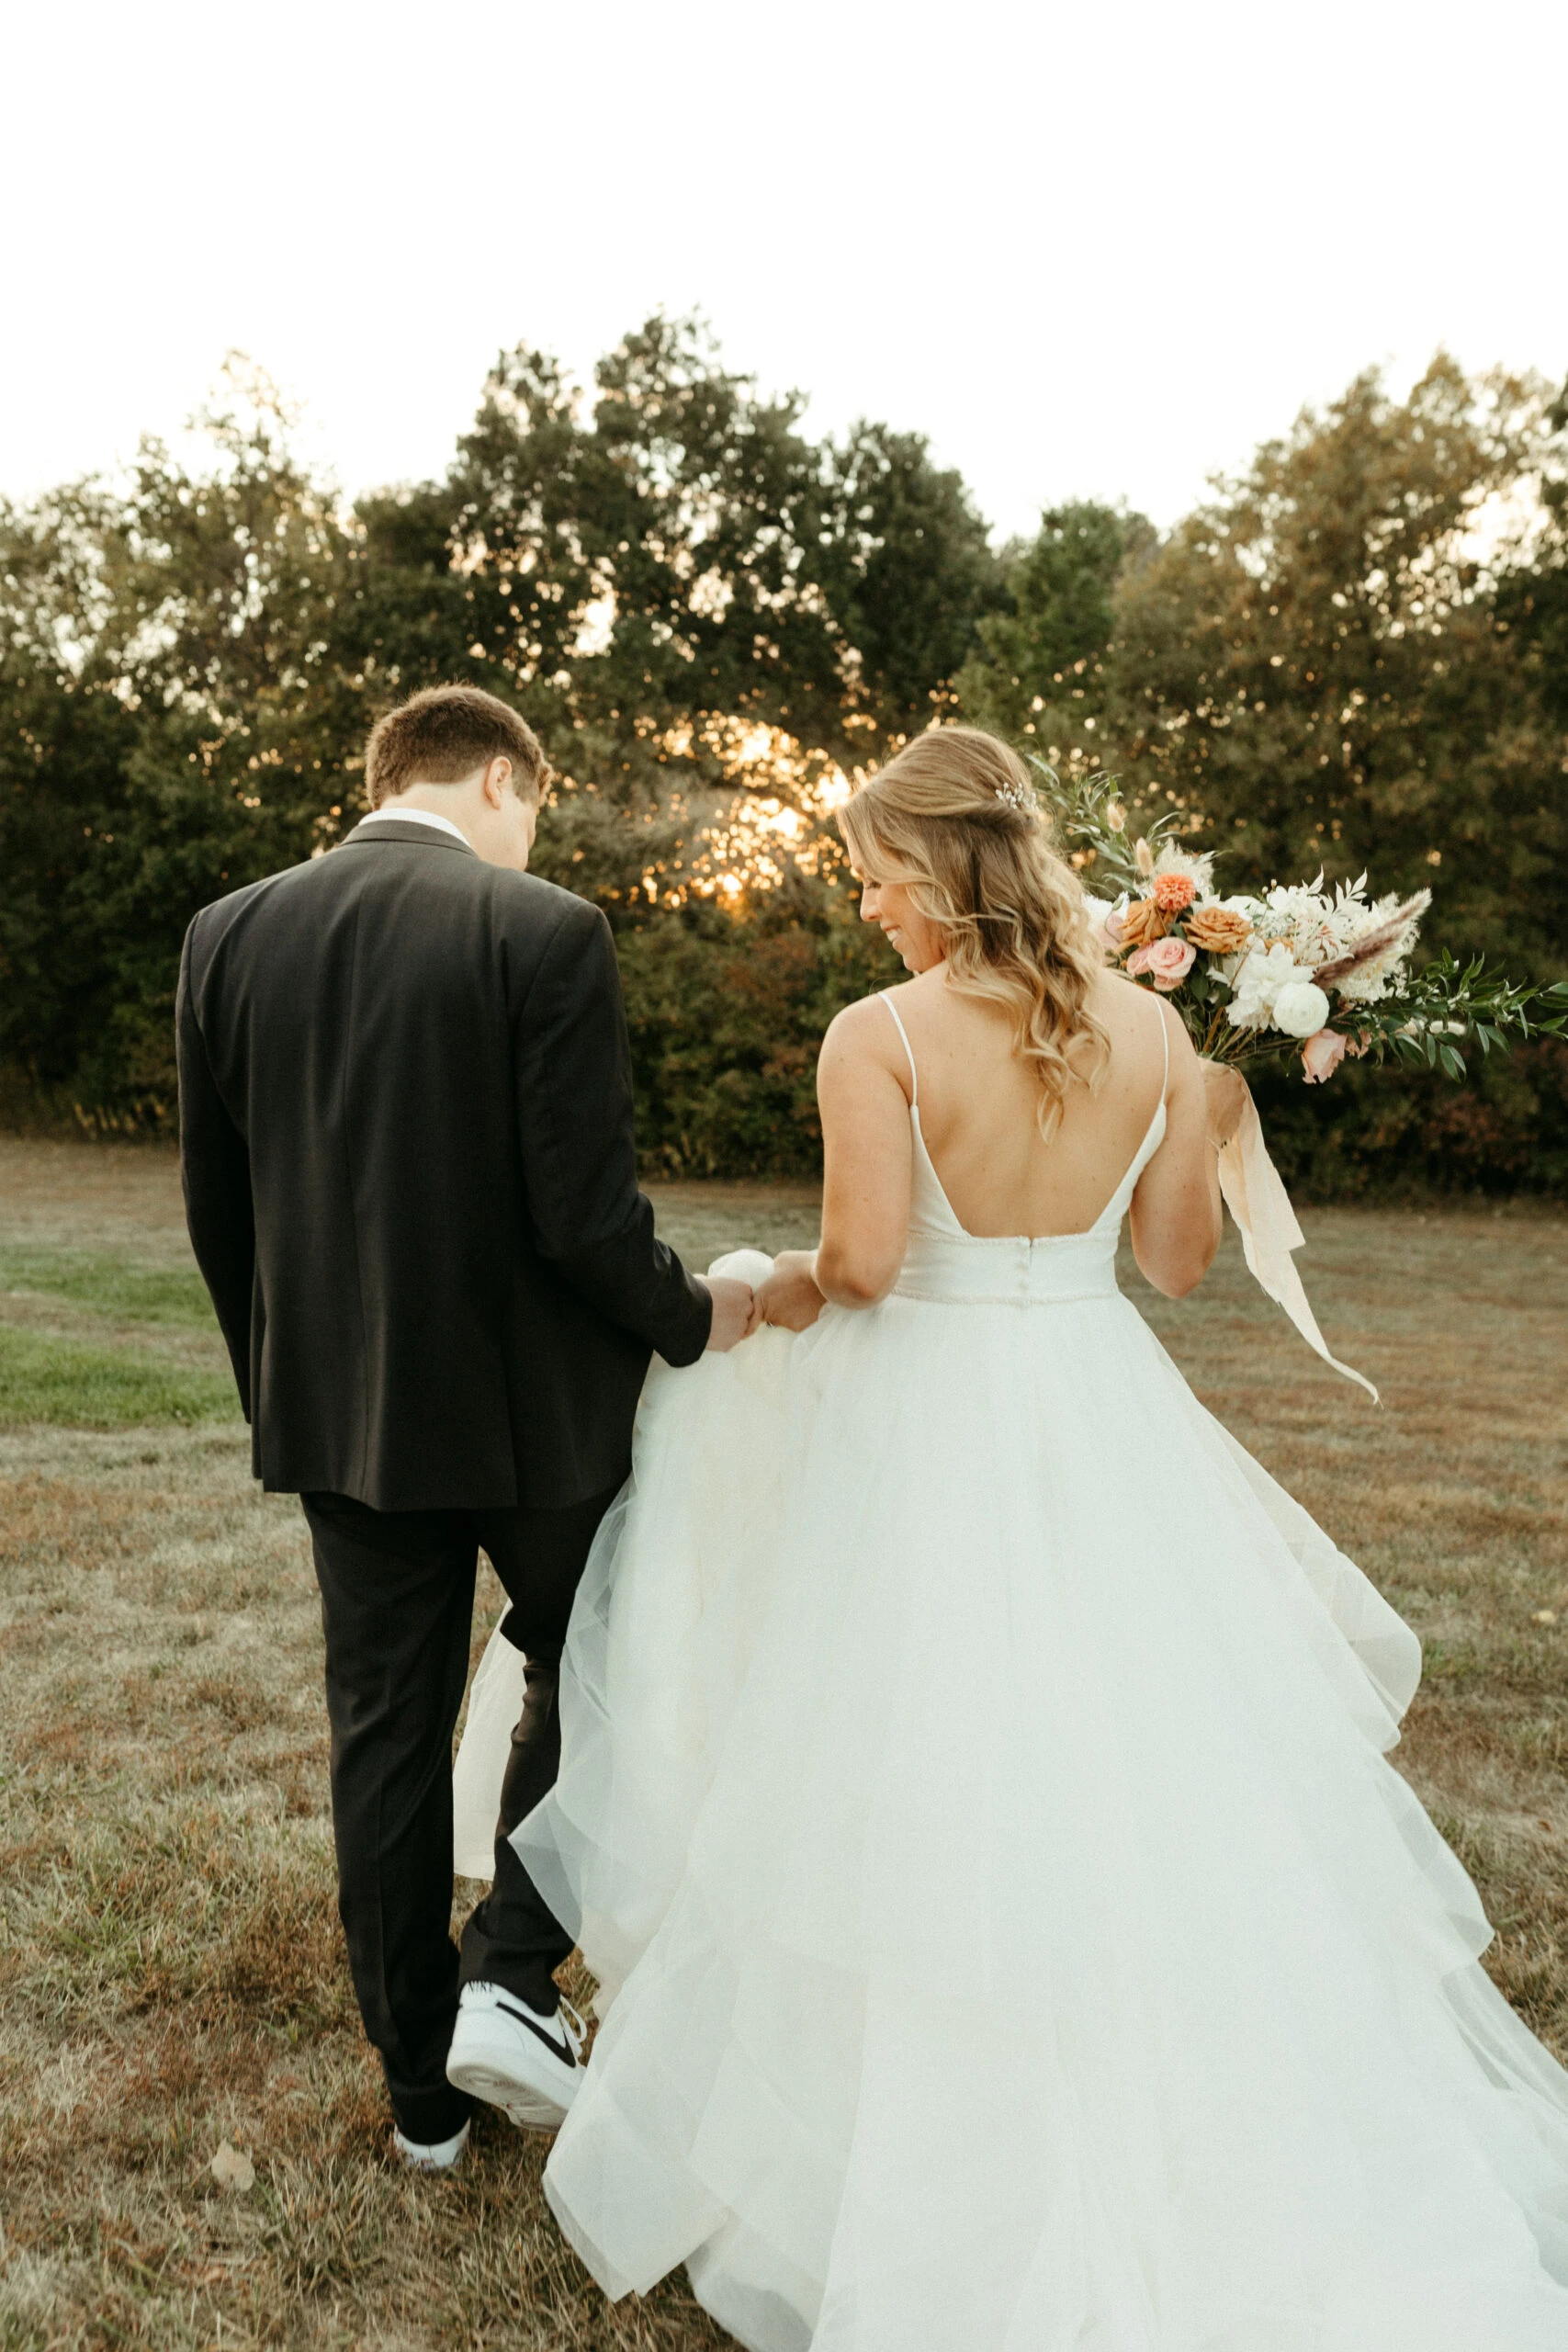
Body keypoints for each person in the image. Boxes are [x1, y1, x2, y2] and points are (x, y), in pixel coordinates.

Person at [461, 726, 1568, 2347]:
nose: (858, 909)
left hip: (922, 1419)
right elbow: (1176, 1268)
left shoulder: (880, 1035)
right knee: (1133, 1752)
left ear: (927, 872)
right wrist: (1205, 1106)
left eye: (865, 878)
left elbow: (861, 1265)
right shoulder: (1160, 1031)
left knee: (907, 1756)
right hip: (1094, 1407)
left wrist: (762, 1287)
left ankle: (902, 2132)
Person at [176, 683, 754, 2173]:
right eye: (535, 809)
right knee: (605, 1663)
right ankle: (509, 1968)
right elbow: (583, 1221)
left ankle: (418, 2096)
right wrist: (695, 1318)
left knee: (382, 1727)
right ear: (501, 776)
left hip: (342, 1421)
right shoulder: (543, 931)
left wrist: (290, 1393)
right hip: (536, 1419)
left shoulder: (227, 933)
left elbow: (218, 1213)